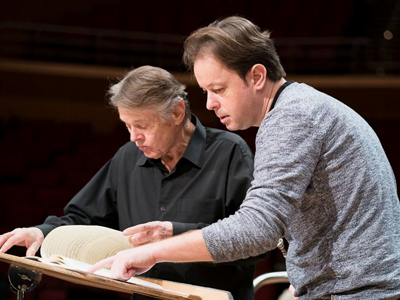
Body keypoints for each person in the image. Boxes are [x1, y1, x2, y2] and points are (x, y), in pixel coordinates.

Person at [88, 16, 400, 300]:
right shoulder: (304, 107)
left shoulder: (291, 118)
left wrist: (153, 253)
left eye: (218, 89)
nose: (209, 103)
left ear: (257, 76)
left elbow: (257, 229)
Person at [0, 65, 260, 300]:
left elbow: (255, 244)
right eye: (127, 126)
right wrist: (41, 232)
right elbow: (84, 220)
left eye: (142, 125)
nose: (134, 137)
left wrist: (174, 234)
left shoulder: (230, 153)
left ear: (177, 112)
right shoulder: (127, 157)